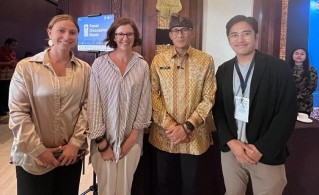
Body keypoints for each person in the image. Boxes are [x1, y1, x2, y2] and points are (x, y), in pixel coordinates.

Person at [212, 15, 297, 195]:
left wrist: (261, 148)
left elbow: (287, 113)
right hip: (233, 151)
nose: (240, 39)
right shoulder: (224, 70)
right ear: (228, 39)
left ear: (256, 36)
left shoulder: (279, 68)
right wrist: (230, 141)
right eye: (234, 35)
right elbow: (218, 109)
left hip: (264, 152)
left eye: (246, 33)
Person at [9, 14, 90, 195]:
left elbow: (88, 107)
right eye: (61, 30)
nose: (67, 36)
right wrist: (38, 151)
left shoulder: (85, 69)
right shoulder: (26, 67)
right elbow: (18, 112)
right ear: (49, 32)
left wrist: (75, 144)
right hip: (33, 158)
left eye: (72, 32)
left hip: (70, 156)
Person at [149, 13, 216, 195]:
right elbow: (153, 95)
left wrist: (186, 127)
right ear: (170, 35)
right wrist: (171, 126)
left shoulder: (206, 60)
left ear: (192, 33)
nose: (180, 35)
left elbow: (209, 97)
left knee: (192, 186)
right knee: (164, 185)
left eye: (185, 30)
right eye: (176, 31)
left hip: (194, 137)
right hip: (165, 135)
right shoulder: (158, 60)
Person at [87, 17, 152, 195]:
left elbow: (144, 103)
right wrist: (102, 143)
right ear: (113, 37)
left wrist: (132, 138)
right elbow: (93, 105)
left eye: (129, 34)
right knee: (106, 188)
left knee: (125, 188)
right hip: (103, 140)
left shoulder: (142, 66)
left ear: (135, 37)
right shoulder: (99, 64)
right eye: (120, 34)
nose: (125, 38)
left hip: (132, 140)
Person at [289, 48, 318, 115]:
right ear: (292, 55)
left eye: (302, 54)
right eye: (296, 53)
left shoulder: (311, 70)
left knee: (302, 125)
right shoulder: (286, 68)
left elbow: (311, 88)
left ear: (306, 57)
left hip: (304, 105)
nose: (299, 55)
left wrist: (295, 98)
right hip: (287, 103)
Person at [0, 38, 18, 116]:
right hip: (2, 76)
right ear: (7, 44)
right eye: (13, 45)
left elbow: (13, 61)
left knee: (8, 91)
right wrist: (8, 63)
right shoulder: (1, 51)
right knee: (1, 93)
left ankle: (6, 107)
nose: (14, 47)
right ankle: (1, 110)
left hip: (10, 75)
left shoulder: (13, 52)